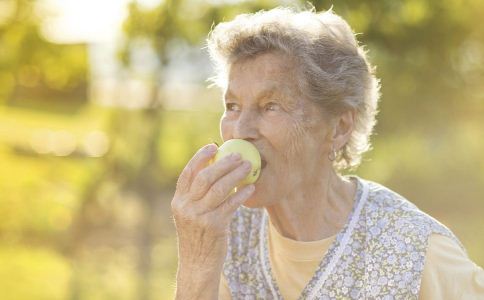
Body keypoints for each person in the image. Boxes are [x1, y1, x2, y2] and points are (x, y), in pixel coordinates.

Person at [171, 7, 484, 299]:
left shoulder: (416, 249)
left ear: (339, 128)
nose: (241, 131)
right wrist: (197, 263)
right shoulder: (226, 232)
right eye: (233, 106)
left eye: (270, 106)